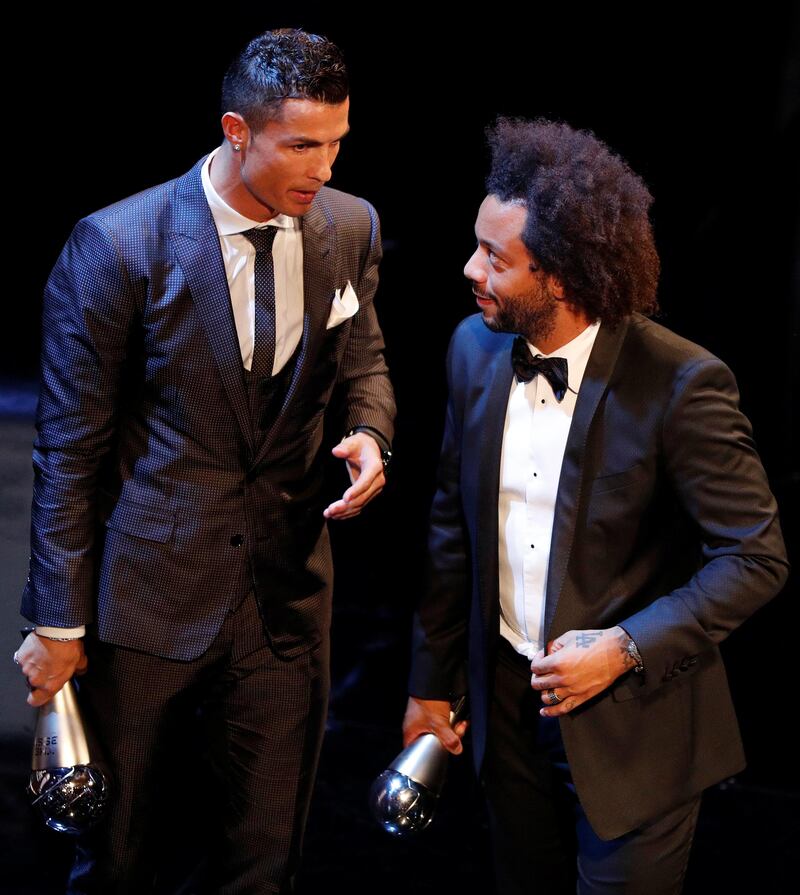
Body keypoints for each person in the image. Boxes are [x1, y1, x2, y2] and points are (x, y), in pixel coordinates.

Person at [15, 28, 395, 894]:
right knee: (120, 859)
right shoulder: (118, 245)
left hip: (284, 600)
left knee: (263, 863)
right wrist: (57, 622)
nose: (324, 167)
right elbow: (67, 451)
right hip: (147, 605)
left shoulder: (348, 227)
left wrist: (372, 434)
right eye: (302, 145)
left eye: (337, 143)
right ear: (236, 130)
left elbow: (365, 358)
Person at [402, 118, 788, 894]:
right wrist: (430, 681)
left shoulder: (681, 382)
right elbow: (452, 527)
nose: (469, 267)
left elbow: (756, 557)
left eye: (495, 258)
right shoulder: (471, 351)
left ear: (562, 277)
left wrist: (624, 646)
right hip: (507, 713)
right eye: (477, 244)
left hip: (636, 721)